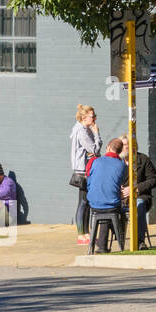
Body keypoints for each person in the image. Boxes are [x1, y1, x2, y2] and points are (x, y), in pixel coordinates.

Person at [86, 138, 129, 253]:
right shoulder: (122, 165)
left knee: (105, 207)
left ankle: (102, 245)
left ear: (108, 147)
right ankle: (115, 243)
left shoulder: (95, 161)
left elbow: (89, 184)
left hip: (94, 204)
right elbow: (120, 182)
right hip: (112, 204)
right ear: (120, 151)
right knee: (115, 211)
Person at [117, 136, 156, 246]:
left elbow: (154, 180)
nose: (122, 148)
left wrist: (134, 189)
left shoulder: (143, 159)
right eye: (120, 146)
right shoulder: (116, 162)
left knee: (138, 205)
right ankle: (106, 243)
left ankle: (139, 241)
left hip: (140, 196)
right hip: (120, 198)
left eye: (124, 145)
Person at [69, 104, 102, 245]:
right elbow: (94, 149)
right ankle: (81, 234)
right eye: (92, 116)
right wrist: (97, 134)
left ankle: (86, 232)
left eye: (95, 116)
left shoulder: (83, 129)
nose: (94, 119)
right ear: (84, 117)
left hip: (86, 169)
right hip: (83, 171)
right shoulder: (82, 131)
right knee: (83, 202)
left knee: (87, 202)